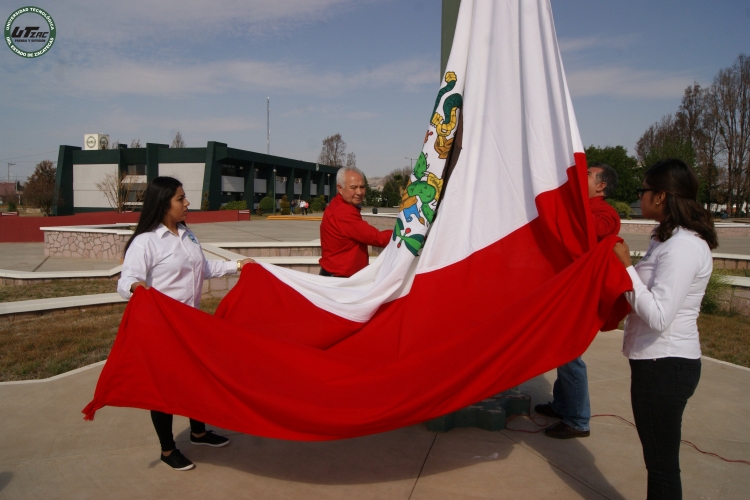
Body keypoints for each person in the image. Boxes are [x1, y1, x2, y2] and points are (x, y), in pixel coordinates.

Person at [117, 176, 255, 471]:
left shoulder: (186, 235)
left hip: (190, 324)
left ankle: (199, 432)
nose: (186, 203)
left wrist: (238, 265)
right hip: (163, 327)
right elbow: (126, 279)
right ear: (163, 204)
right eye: (180, 199)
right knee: (164, 389)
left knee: (196, 379)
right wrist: (137, 288)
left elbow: (203, 267)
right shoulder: (146, 242)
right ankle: (168, 450)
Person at [613, 158, 717, 499]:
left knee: (661, 466)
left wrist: (627, 268)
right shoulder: (666, 239)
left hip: (665, 366)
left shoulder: (684, 247)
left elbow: (659, 315)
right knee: (658, 462)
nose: (639, 196)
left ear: (661, 196)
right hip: (656, 363)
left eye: (643, 190)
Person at [536, 162, 621, 439]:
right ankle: (563, 405)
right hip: (568, 292)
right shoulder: (588, 207)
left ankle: (577, 419)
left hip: (581, 295)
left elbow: (597, 229)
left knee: (571, 355)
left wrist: (571, 205)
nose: (578, 178)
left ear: (601, 186)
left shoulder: (604, 212)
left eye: (586, 175)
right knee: (564, 351)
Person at [319, 166, 392, 277]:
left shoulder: (340, 205)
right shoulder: (343, 212)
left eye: (362, 187)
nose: (359, 192)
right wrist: (409, 235)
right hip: (340, 282)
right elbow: (377, 238)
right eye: (353, 187)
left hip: (340, 278)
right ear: (340, 188)